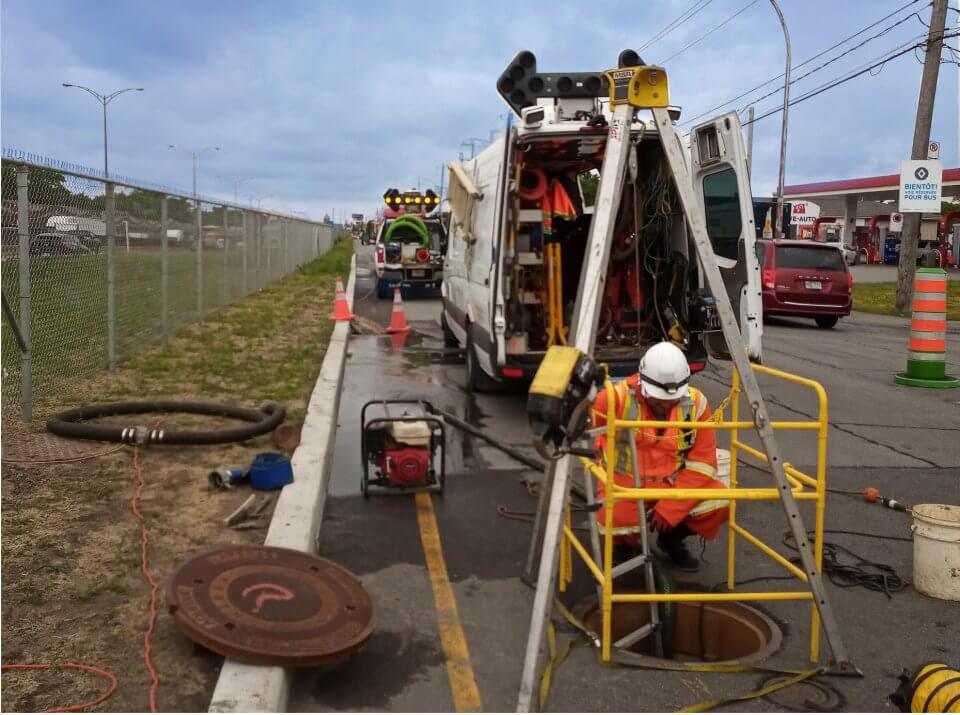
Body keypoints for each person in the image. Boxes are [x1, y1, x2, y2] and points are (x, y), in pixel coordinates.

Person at [590, 341, 728, 571]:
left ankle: (671, 539)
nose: (665, 404)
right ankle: (624, 545)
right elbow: (585, 422)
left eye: (671, 400)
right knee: (613, 519)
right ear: (643, 384)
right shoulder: (617, 397)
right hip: (625, 486)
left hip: (673, 485)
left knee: (720, 501)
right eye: (659, 399)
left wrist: (672, 508)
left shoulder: (697, 404)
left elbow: (703, 464)